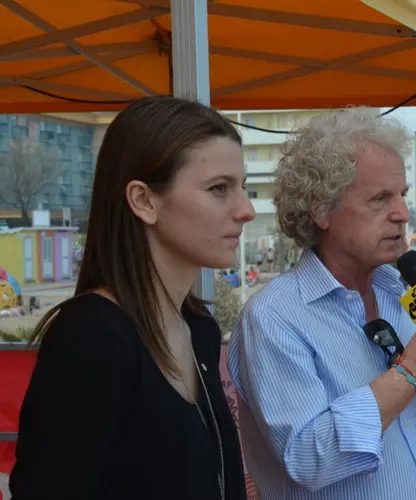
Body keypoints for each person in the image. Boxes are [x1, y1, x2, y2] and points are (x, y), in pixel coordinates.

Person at [228, 107, 416, 499]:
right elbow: (308, 459)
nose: (402, 214)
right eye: (380, 199)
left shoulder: (400, 294)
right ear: (321, 209)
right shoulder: (274, 317)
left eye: (403, 195)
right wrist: (415, 369)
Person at [10, 96, 255, 500]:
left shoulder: (199, 330)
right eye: (219, 189)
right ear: (143, 200)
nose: (245, 209)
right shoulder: (92, 338)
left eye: (242, 187)